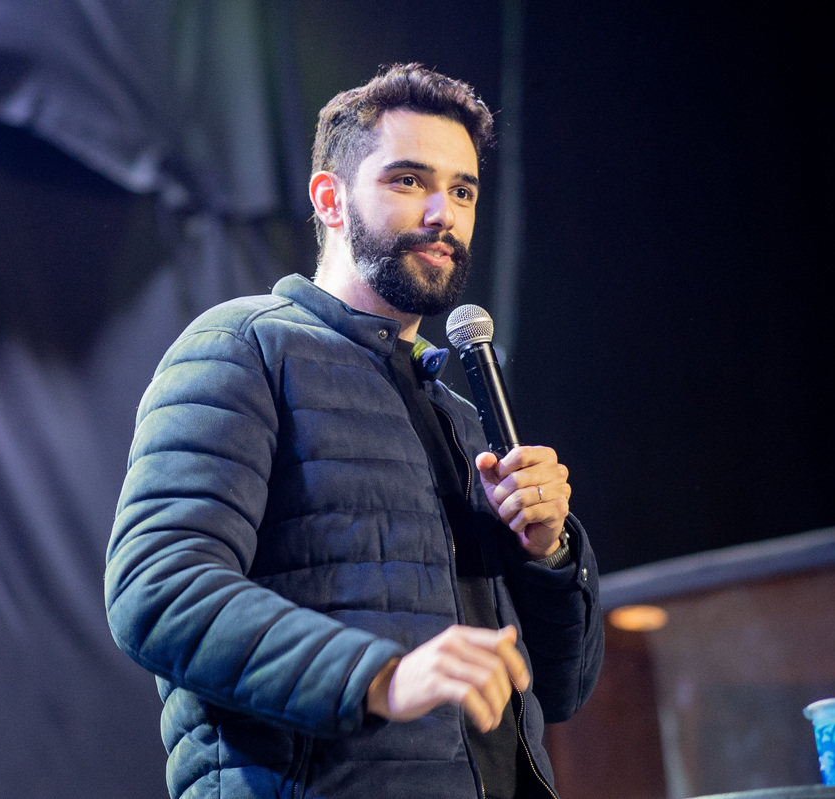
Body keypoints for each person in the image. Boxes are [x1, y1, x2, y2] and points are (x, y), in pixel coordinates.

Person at [105, 63, 603, 799]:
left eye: (463, 190)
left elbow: (560, 691)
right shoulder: (244, 346)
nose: (444, 213)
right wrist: (381, 674)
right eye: (409, 181)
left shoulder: (464, 417)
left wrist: (550, 552)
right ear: (330, 199)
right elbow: (158, 586)